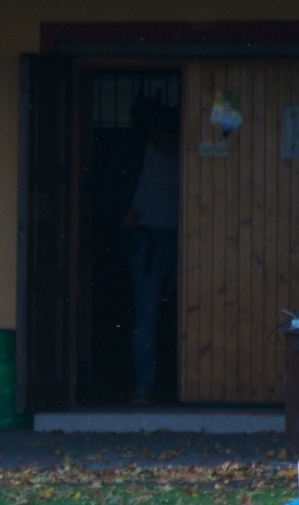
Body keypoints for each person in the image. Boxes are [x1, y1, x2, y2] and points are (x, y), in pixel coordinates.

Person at [123, 105, 179, 405]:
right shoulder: (135, 155)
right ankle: (144, 385)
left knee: (191, 312)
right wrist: (123, 214)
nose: (169, 142)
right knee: (146, 314)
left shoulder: (190, 154)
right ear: (153, 134)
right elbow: (105, 184)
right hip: (148, 241)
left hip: (185, 241)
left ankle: (189, 384)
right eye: (164, 135)